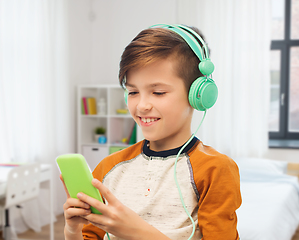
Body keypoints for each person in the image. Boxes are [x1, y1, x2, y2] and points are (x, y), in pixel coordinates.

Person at [62, 24, 242, 240]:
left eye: (158, 92)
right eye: (133, 92)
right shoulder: (108, 168)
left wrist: (136, 232)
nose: (142, 105)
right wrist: (72, 230)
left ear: (198, 95)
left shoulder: (216, 169)